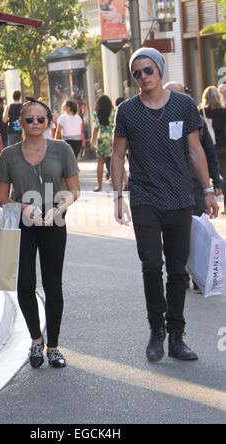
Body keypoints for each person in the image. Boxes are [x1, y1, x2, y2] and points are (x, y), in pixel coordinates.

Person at [111, 47, 219, 363]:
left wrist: (209, 189)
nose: (143, 77)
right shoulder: (127, 112)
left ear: (159, 70)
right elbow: (118, 155)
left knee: (177, 270)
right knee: (150, 264)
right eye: (137, 73)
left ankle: (177, 336)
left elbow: (196, 151)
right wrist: (118, 195)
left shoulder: (184, 105)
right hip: (144, 196)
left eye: (148, 70)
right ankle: (156, 331)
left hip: (181, 197)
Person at [0, 98, 80, 369]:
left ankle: (53, 346)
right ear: (19, 122)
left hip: (54, 222)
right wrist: (23, 207)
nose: (35, 123)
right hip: (23, 224)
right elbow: (1, 197)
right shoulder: (8, 154)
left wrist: (57, 210)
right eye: (29, 119)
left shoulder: (62, 149)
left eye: (40, 119)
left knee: (53, 284)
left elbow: (73, 190)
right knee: (24, 285)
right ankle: (35, 340)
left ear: (49, 122)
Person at [165, 81, 223, 292]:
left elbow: (209, 152)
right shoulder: (157, 121)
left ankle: (199, 275)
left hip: (196, 185)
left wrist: (215, 182)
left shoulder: (196, 121)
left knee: (198, 231)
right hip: (169, 187)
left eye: (178, 95)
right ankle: (180, 272)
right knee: (176, 232)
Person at [199, 86, 226, 213]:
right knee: (224, 173)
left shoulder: (201, 112)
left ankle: (210, 191)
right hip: (223, 146)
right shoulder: (223, 111)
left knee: (207, 169)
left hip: (208, 147)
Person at [91, 94, 115, 191]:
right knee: (114, 162)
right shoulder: (113, 112)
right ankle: (115, 183)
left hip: (102, 139)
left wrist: (92, 141)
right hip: (112, 138)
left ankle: (99, 186)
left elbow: (96, 128)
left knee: (100, 162)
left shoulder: (96, 113)